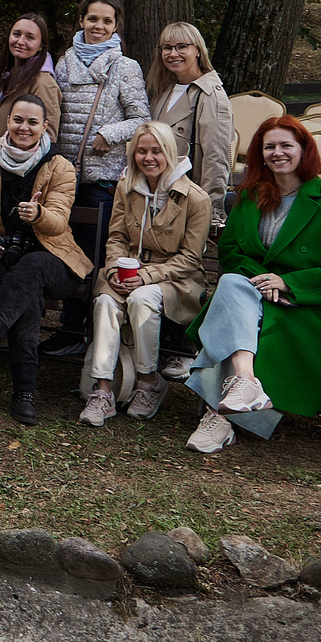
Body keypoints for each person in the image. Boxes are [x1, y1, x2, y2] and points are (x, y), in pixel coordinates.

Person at [182, 117, 321, 454]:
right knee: (235, 287)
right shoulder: (249, 196)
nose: (277, 153)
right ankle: (245, 384)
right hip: (252, 293)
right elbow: (231, 250)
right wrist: (262, 281)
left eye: (285, 146)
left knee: (234, 314)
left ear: (303, 150)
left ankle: (218, 416)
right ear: (260, 154)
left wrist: (288, 283)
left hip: (307, 306)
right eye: (269, 147)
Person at [0, 95, 93, 424]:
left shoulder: (60, 165)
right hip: (2, 257)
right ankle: (24, 393)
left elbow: (60, 221)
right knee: (26, 294)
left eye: (33, 122)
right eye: (18, 120)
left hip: (54, 259)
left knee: (32, 268)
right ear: (8, 121)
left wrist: (39, 213)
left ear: (44, 126)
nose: (24, 127)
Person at [69, 121, 209, 427]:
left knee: (142, 299)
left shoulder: (196, 198)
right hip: (127, 268)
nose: (148, 158)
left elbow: (189, 258)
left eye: (156, 151)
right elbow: (116, 236)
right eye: (141, 151)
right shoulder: (127, 186)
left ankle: (149, 383)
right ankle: (103, 391)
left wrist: (146, 277)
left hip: (174, 280)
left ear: (169, 152)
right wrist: (115, 268)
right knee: (105, 303)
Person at [52, 0, 148, 268]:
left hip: (100, 180)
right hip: (63, 178)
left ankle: (91, 310)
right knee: (61, 253)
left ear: (115, 26)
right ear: (81, 21)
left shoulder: (126, 67)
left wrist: (109, 133)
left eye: (107, 21)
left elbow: (142, 119)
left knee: (93, 257)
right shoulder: (63, 63)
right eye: (92, 18)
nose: (99, 26)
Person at [147, 21, 233, 216]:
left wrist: (211, 212)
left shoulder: (210, 95)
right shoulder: (164, 91)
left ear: (198, 51)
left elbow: (216, 158)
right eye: (167, 48)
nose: (173, 53)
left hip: (189, 203)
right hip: (158, 197)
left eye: (182, 47)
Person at [0, 14, 63, 139]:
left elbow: (47, 137)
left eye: (30, 37)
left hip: (16, 158)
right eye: (17, 34)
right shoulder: (7, 75)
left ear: (41, 45)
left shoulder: (43, 83)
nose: (20, 41)